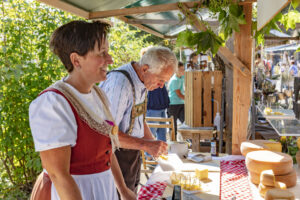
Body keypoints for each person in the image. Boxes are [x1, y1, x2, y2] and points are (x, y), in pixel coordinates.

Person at [29, 20, 135, 200]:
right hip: (74, 192)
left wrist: (123, 190)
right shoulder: (53, 103)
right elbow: (59, 175)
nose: (110, 59)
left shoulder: (98, 95)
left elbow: (107, 152)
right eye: (102, 53)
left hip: (103, 187)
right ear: (76, 60)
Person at [100, 46, 177, 193]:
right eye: (160, 80)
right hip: (113, 158)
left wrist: (153, 143)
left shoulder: (142, 81)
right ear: (145, 69)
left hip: (131, 154)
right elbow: (107, 133)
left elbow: (138, 118)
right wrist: (147, 146)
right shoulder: (121, 84)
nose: (161, 86)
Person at [167, 61, 185, 138]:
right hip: (173, 104)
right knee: (173, 125)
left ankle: (187, 139)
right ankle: (173, 140)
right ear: (176, 70)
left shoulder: (182, 77)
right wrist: (189, 99)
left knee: (185, 121)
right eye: (180, 69)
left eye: (183, 69)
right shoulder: (174, 80)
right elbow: (179, 94)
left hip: (181, 103)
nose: (182, 71)